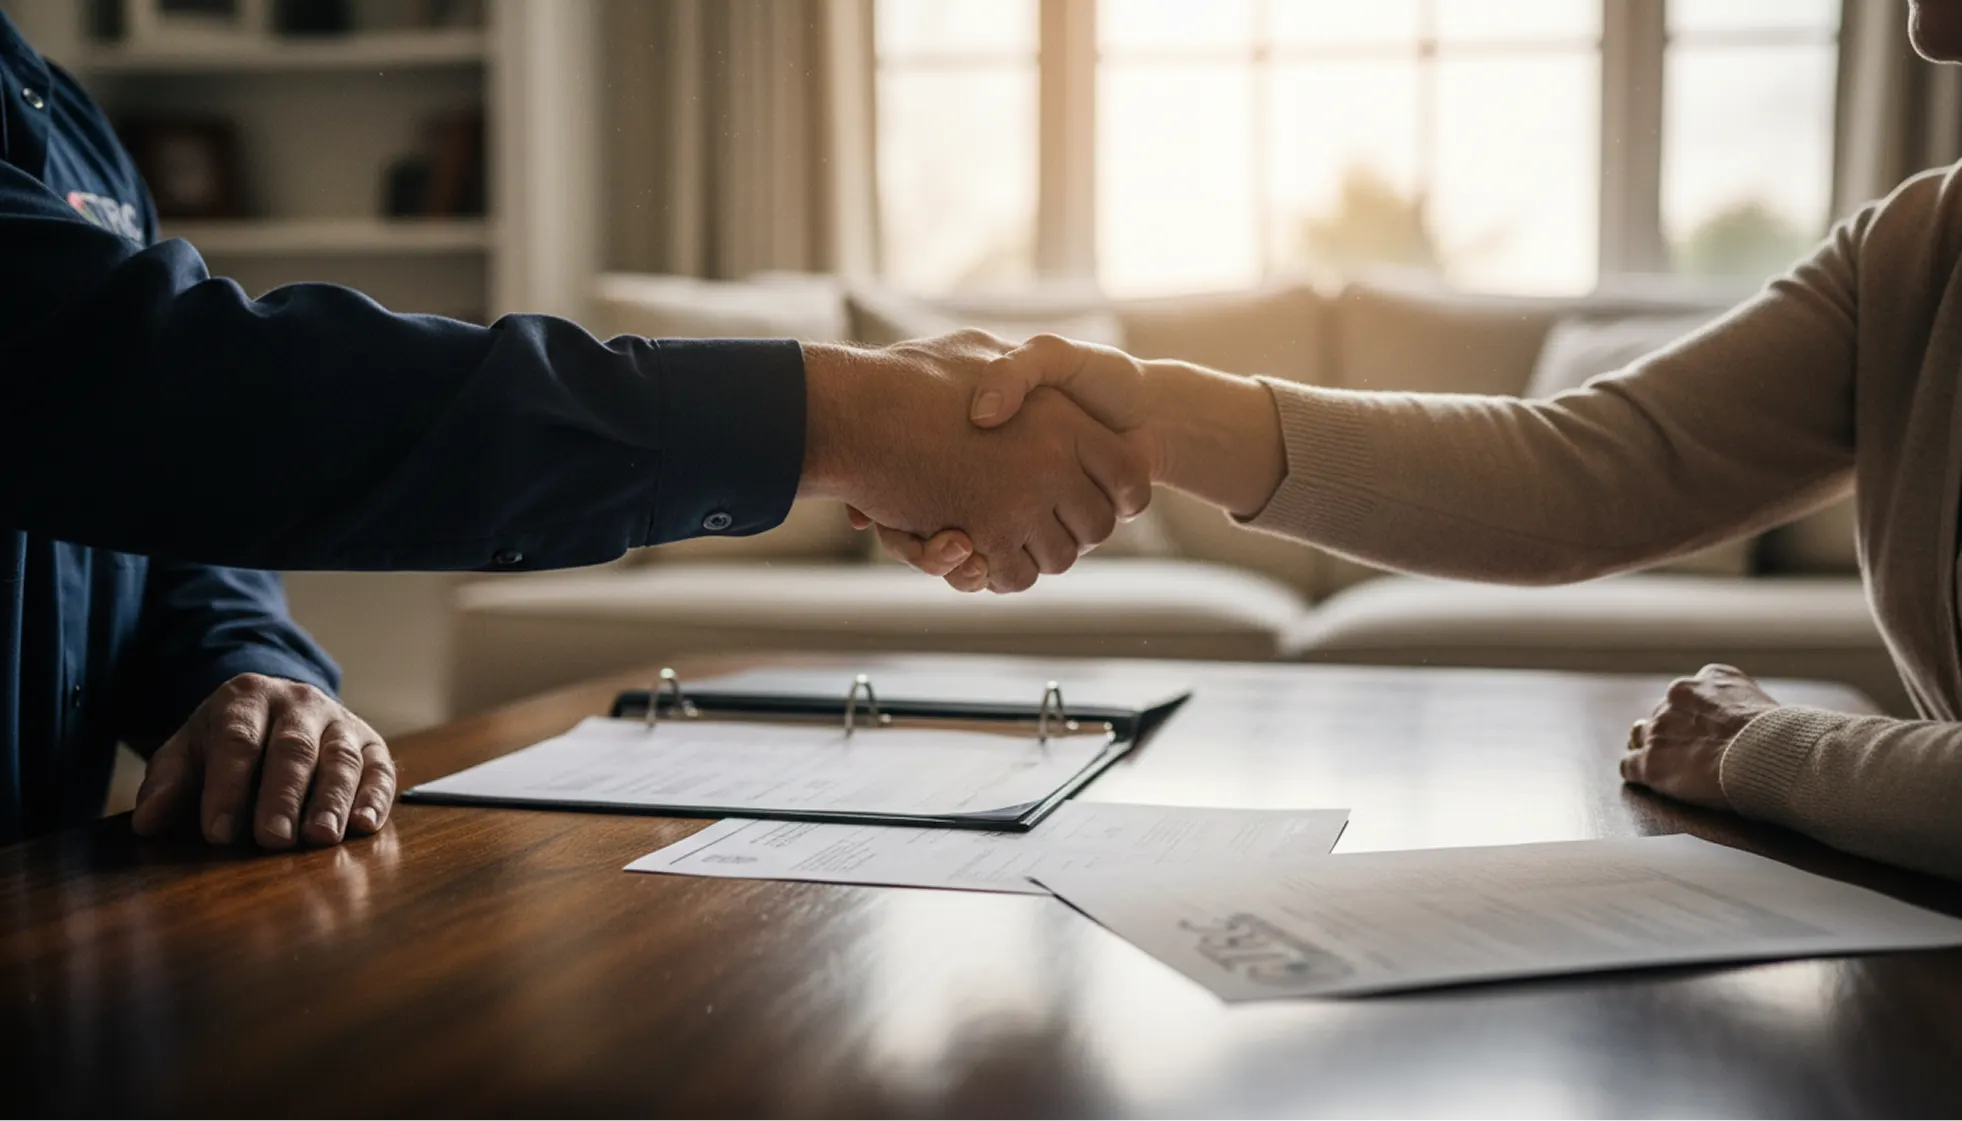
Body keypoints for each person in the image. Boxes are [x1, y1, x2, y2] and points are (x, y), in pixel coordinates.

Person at [866, 0, 1962, 883]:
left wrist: (1765, 749)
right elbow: (1589, 473)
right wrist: (1148, 412)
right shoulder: (1918, 249)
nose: (1921, 26)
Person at [0, 13, 1147, 849]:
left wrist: (249, 669)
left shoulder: (75, 128)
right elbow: (182, 384)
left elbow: (168, 498)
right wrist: (832, 415)